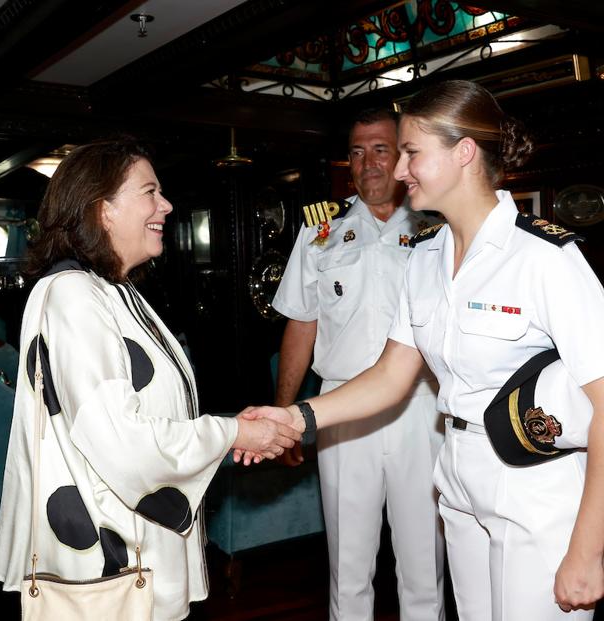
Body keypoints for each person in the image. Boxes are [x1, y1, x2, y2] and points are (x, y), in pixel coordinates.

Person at [238, 80, 604, 621]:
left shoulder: (544, 257)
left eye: (411, 152)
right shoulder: (428, 257)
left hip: (533, 483)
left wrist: (589, 548)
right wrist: (291, 417)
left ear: (462, 153)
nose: (400, 169)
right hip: (456, 476)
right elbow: (390, 375)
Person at [0, 139, 300, 621]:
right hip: (112, 555)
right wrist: (233, 432)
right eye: (149, 191)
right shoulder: (75, 295)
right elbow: (122, 440)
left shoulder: (113, 289)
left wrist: (227, 425)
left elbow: (153, 412)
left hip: (130, 542)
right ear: (103, 210)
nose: (166, 205)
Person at [271, 108, 445, 621]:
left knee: (423, 562)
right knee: (348, 564)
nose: (368, 162)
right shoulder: (320, 232)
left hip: (422, 405)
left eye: (381, 149)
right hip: (341, 408)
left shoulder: (436, 228)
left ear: (404, 155)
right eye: (356, 151)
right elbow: (302, 323)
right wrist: (286, 417)